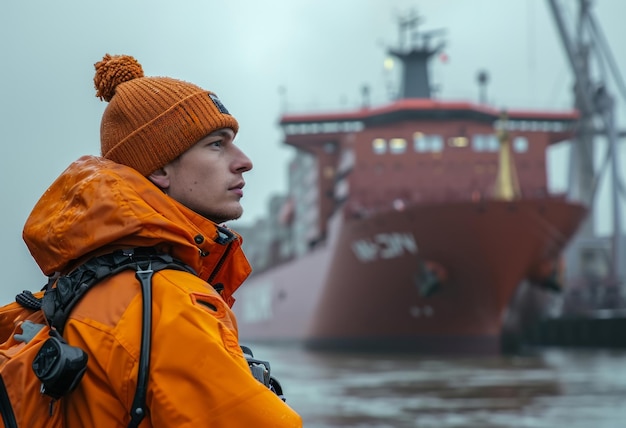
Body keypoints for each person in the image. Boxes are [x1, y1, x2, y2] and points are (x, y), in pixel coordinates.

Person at [22, 54, 302, 427]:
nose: (244, 161)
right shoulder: (169, 305)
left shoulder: (76, 291)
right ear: (159, 169)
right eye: (217, 144)